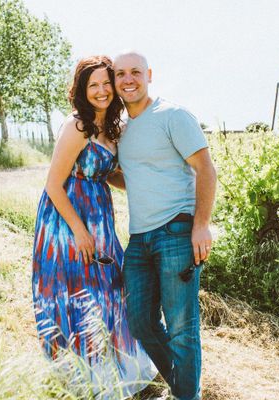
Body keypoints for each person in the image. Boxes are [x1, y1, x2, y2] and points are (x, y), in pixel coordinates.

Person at [32, 55, 155, 397]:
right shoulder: (78, 126)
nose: (101, 91)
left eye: (105, 83)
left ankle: (121, 374)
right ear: (82, 90)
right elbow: (53, 184)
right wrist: (79, 231)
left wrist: (148, 183)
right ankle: (86, 381)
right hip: (66, 221)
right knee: (79, 295)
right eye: (93, 85)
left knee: (112, 292)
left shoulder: (111, 128)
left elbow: (105, 174)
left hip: (100, 218)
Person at [113, 51, 217, 400]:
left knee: (182, 329)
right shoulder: (122, 130)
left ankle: (186, 394)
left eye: (135, 72)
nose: (128, 79)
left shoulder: (172, 115)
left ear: (149, 75)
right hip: (139, 240)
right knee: (140, 322)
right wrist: (99, 175)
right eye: (120, 74)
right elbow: (135, 178)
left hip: (176, 232)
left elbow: (206, 169)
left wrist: (201, 225)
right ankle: (184, 388)